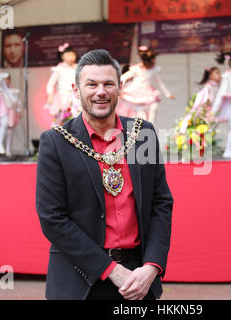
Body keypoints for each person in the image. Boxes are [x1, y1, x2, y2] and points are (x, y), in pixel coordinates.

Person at [36, 49, 173, 300]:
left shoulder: (142, 134)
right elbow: (52, 218)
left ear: (120, 88)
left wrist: (152, 266)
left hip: (138, 279)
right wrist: (110, 270)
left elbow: (161, 204)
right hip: (81, 282)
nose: (101, 91)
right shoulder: (55, 142)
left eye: (108, 83)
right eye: (91, 84)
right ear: (76, 91)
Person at [116, 45, 175, 124]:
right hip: (135, 92)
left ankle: (150, 125)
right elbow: (124, 77)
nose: (154, 62)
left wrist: (168, 94)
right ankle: (141, 128)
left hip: (145, 93)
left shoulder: (153, 69)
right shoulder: (137, 69)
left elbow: (160, 82)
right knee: (139, 114)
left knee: (153, 107)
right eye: (153, 60)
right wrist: (119, 88)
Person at [44, 43, 82, 126]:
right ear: (62, 56)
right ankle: (55, 137)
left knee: (76, 120)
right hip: (62, 98)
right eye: (68, 55)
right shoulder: (59, 69)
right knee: (59, 120)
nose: (71, 57)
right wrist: (50, 95)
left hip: (76, 98)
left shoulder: (78, 68)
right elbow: (50, 85)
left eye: (72, 55)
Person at [179, 66, 221, 134]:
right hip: (207, 112)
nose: (219, 75)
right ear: (210, 76)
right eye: (217, 73)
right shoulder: (208, 87)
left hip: (215, 111)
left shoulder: (218, 86)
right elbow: (205, 101)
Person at [3, 74, 21, 157]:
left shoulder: (14, 90)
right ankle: (1, 148)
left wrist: (18, 110)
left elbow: (18, 101)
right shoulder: (0, 90)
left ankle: (8, 150)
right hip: (2, 112)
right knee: (1, 131)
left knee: (9, 131)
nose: (6, 81)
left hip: (10, 111)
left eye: (7, 79)